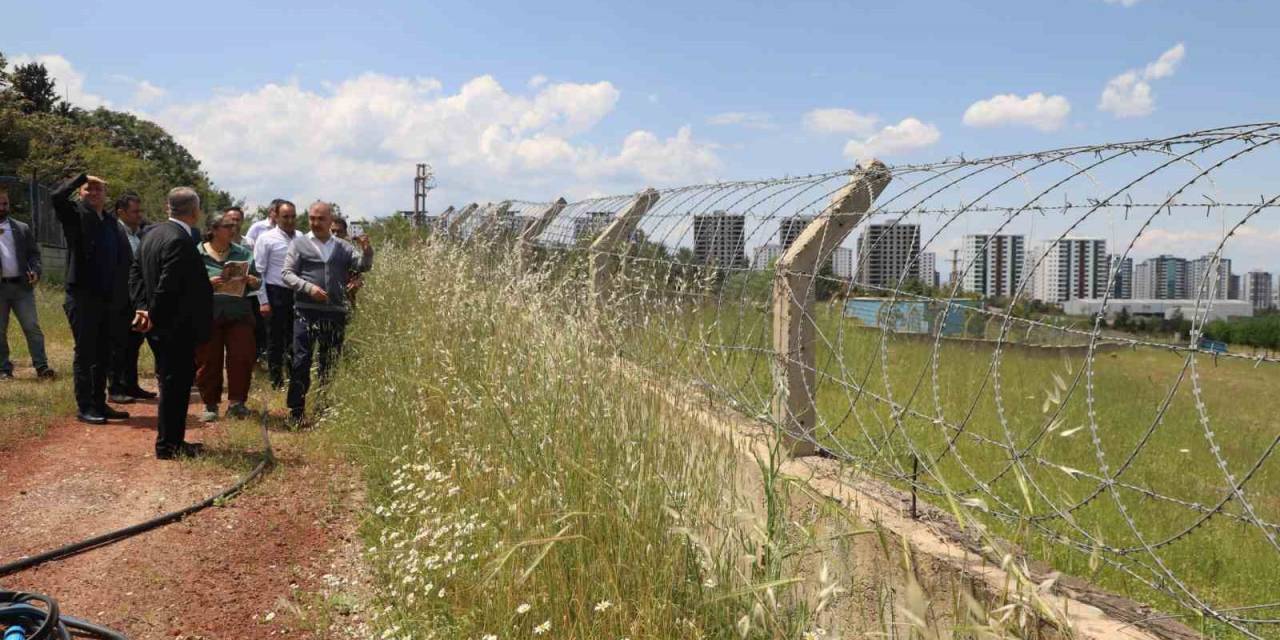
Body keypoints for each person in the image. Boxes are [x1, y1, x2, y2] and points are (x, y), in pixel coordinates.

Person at [130, 187, 213, 459]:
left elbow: (136, 274)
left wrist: (142, 309)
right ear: (194, 211)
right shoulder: (180, 240)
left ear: (169, 208)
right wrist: (152, 313)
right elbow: (168, 285)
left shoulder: (151, 234)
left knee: (172, 384)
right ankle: (169, 446)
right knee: (175, 386)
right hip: (174, 327)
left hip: (158, 324)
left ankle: (173, 441)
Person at [281, 201, 372, 424]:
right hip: (306, 311)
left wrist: (368, 250)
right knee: (301, 360)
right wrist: (308, 288)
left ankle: (323, 406)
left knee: (328, 362)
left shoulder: (342, 247)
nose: (316, 223)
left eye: (321, 219)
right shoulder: (299, 244)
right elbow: (287, 273)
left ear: (331, 220)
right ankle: (296, 411)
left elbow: (362, 266)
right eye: (312, 218)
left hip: (334, 312)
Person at [52, 174, 132, 424]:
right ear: (80, 193)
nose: (95, 193)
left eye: (99, 189)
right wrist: (82, 177)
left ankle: (99, 402)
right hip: (82, 295)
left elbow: (122, 258)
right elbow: (56, 196)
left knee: (103, 353)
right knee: (85, 352)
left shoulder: (110, 221)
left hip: (108, 297)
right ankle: (85, 406)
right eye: (90, 189)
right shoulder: (74, 214)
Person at [195, 210, 261, 421]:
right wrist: (206, 285)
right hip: (208, 315)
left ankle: (237, 403)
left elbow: (258, 281)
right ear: (213, 230)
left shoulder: (243, 253)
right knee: (208, 360)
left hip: (238, 313)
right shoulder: (196, 254)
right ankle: (210, 405)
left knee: (242, 357)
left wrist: (252, 281)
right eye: (227, 226)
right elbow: (187, 284)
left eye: (234, 226)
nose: (233, 230)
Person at [0, 187, 55, 381]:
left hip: (22, 287)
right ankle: (4, 369)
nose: (2, 207)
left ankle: (42, 366)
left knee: (32, 326)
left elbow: (34, 255)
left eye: (5, 203)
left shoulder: (21, 228)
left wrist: (35, 270)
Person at [108, 192, 157, 403]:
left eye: (140, 211)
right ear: (121, 212)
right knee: (118, 344)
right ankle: (116, 388)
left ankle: (131, 384)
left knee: (134, 342)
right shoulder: (113, 232)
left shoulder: (140, 234)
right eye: (135, 211)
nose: (139, 215)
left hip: (137, 298)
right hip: (119, 298)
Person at [254, 200, 299, 389]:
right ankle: (276, 381)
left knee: (295, 337)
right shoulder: (266, 239)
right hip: (275, 292)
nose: (289, 220)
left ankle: (293, 377)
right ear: (276, 217)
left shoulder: (302, 238)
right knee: (275, 339)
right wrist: (263, 300)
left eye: (292, 216)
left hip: (297, 293)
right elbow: (258, 272)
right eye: (285, 217)